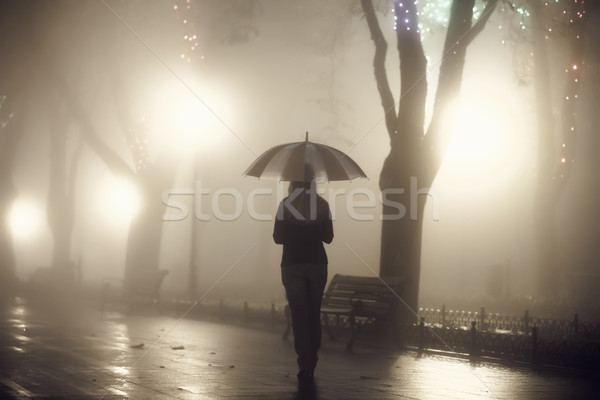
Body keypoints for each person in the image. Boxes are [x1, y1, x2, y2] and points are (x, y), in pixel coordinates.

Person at [273, 174, 333, 382]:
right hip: (317, 263)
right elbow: (329, 238)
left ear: (293, 181)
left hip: (292, 264)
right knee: (313, 313)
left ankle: (304, 361)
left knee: (299, 315)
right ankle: (312, 359)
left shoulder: (285, 205)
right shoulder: (323, 205)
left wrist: (294, 229)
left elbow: (278, 238)